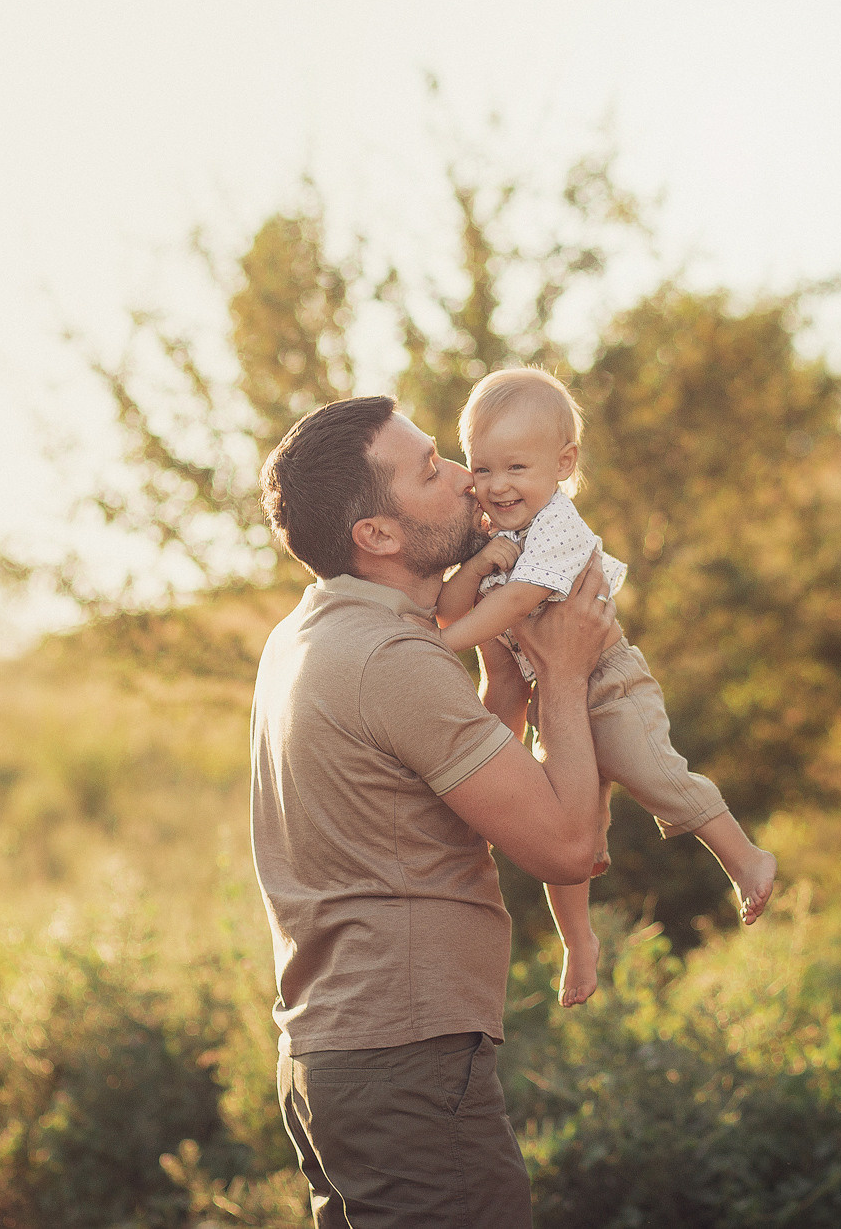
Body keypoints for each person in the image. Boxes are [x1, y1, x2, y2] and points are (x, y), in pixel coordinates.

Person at [251, 394, 613, 1228]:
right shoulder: (394, 658)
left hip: (336, 1062)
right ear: (376, 533)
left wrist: (507, 693)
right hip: (405, 1063)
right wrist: (563, 673)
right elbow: (567, 846)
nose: (465, 475)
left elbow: (426, 803)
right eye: (431, 470)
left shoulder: (309, 635)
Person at [433, 367, 777, 1008]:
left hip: (610, 686)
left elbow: (509, 609)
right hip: (554, 705)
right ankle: (578, 943)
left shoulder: (560, 528)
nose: (497, 486)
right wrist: (476, 564)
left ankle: (745, 858)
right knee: (571, 834)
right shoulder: (491, 533)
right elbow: (453, 608)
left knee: (651, 771)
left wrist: (434, 647)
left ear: (563, 465)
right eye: (482, 469)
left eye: (516, 468)